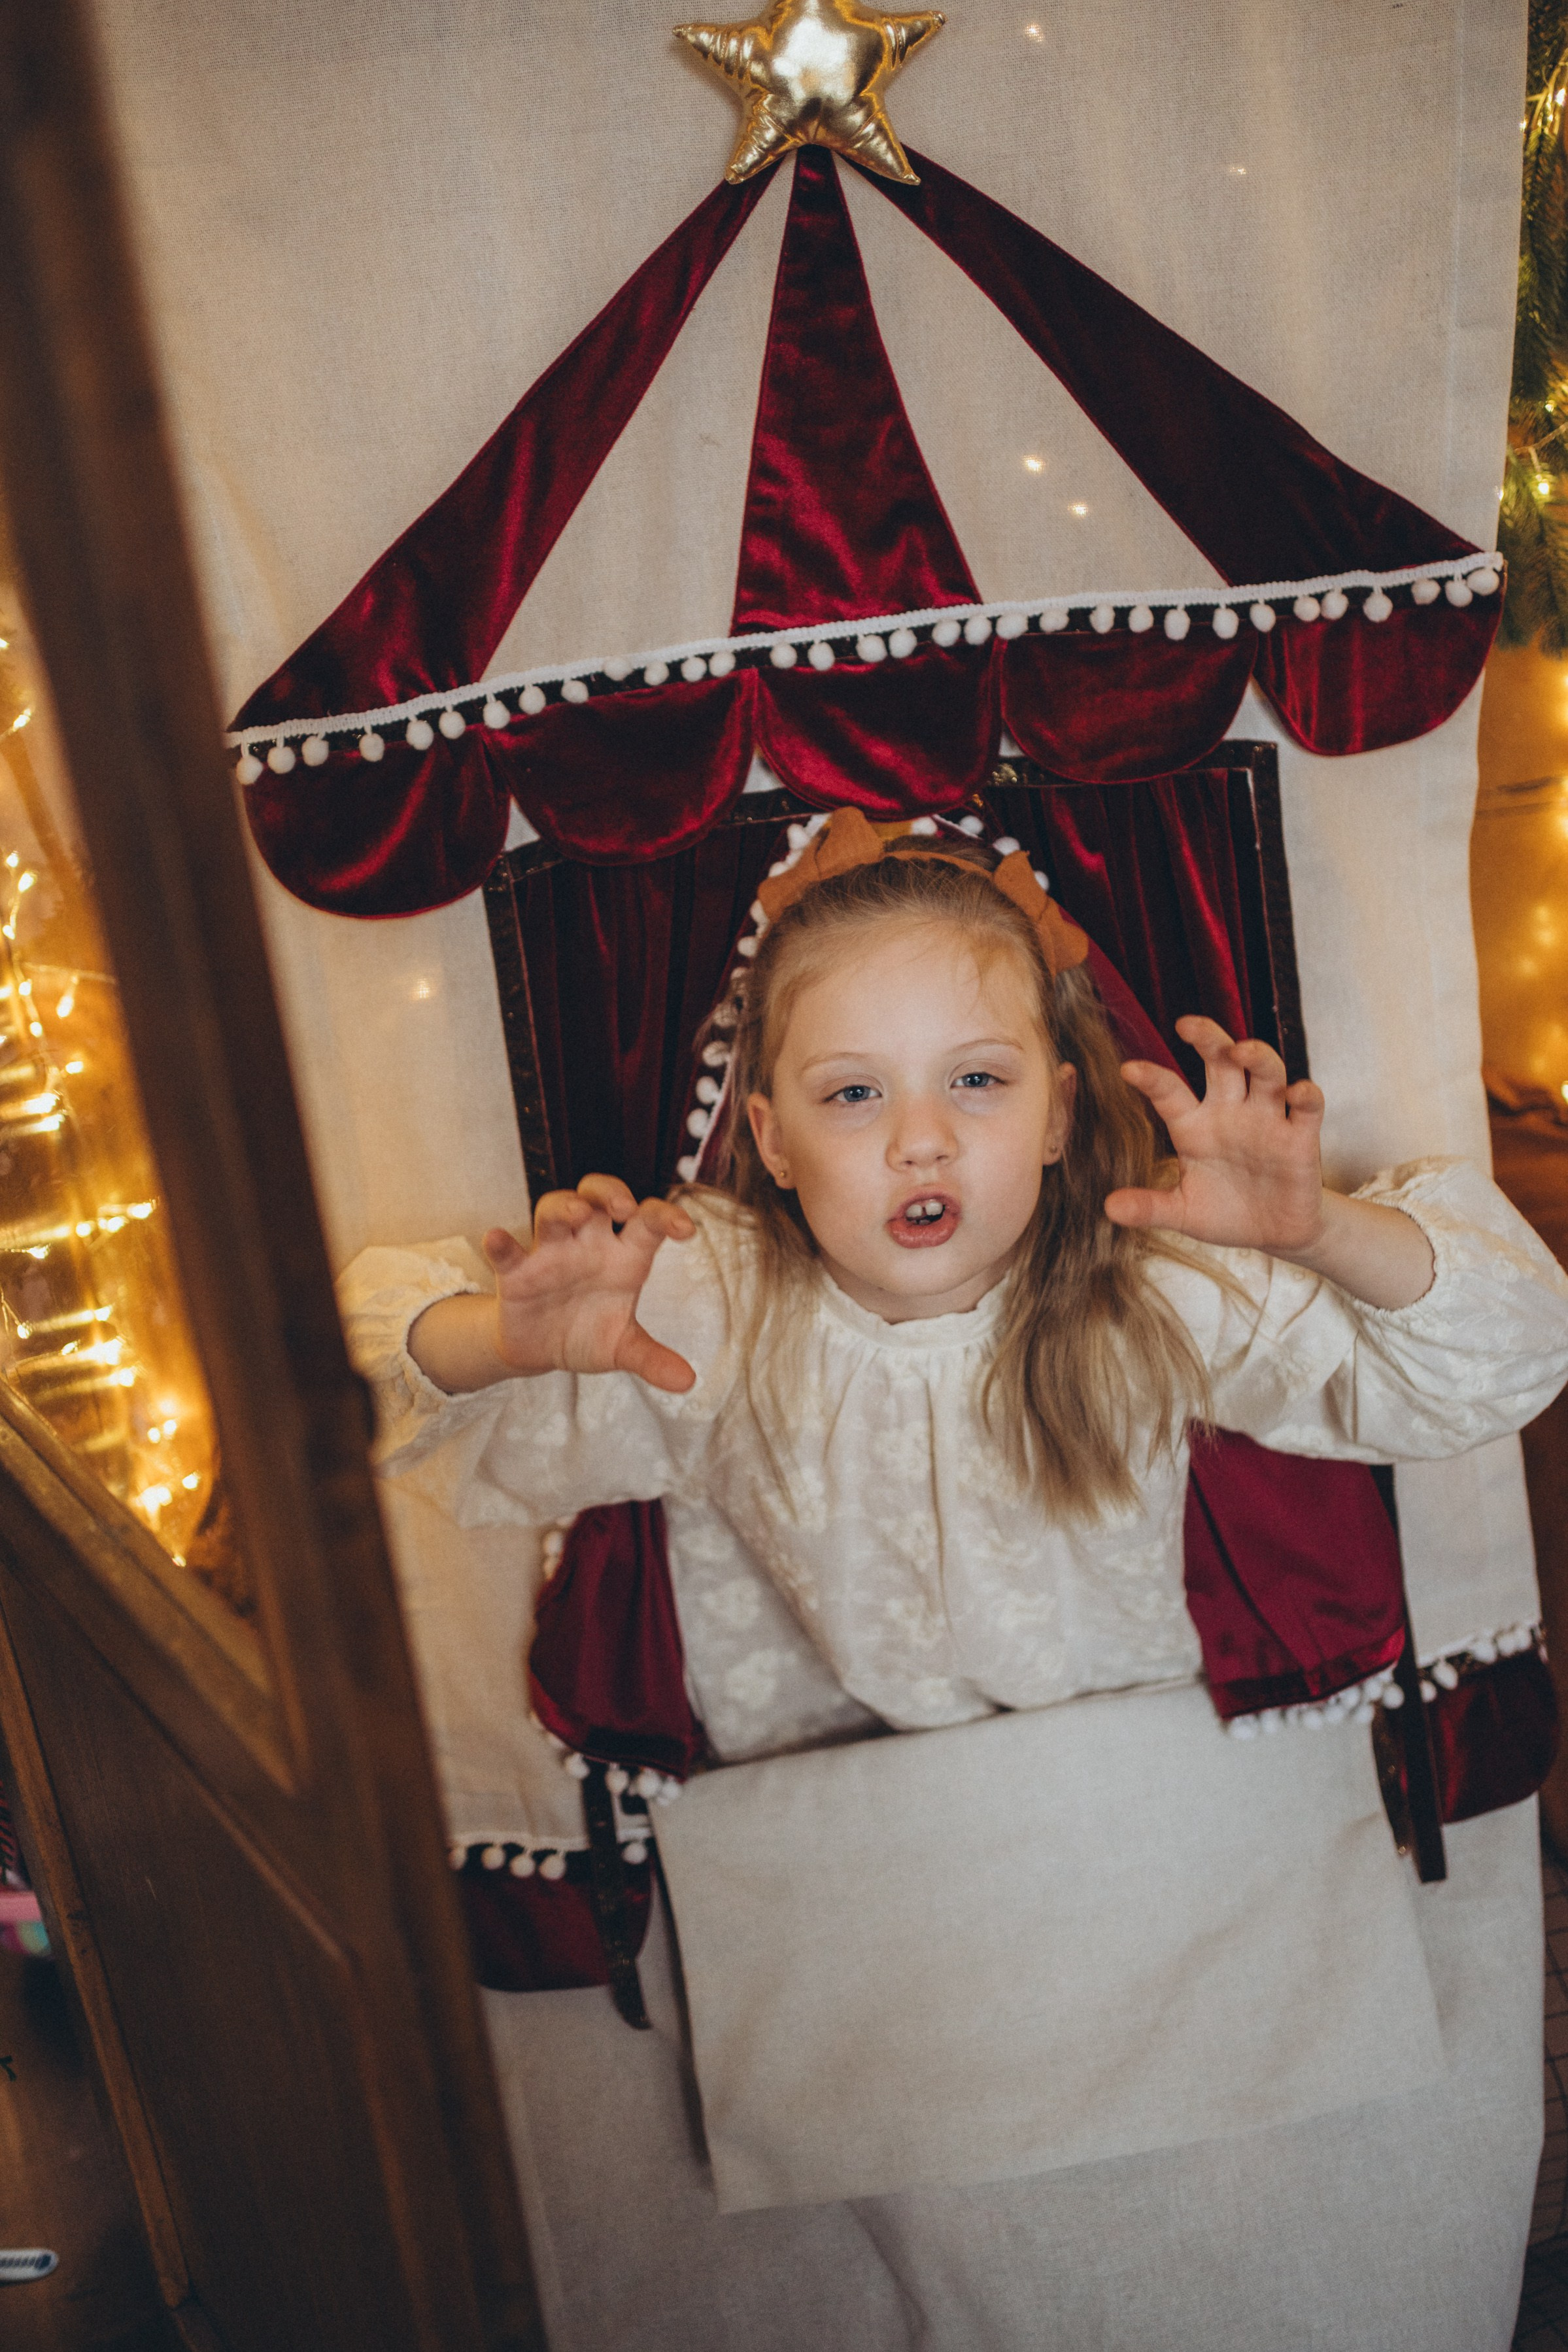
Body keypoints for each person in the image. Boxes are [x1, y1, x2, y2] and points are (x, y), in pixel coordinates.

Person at [343, 808, 1568, 2352]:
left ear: (1057, 1113)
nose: (919, 1140)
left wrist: (1323, 1228)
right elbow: (375, 1389)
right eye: (853, 1094)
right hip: (869, 1916)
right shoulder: (709, 1299)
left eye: (972, 1082)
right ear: (772, 1138)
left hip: (1153, 1888)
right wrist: (497, 1337)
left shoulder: (1147, 1283)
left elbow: (1498, 1361)